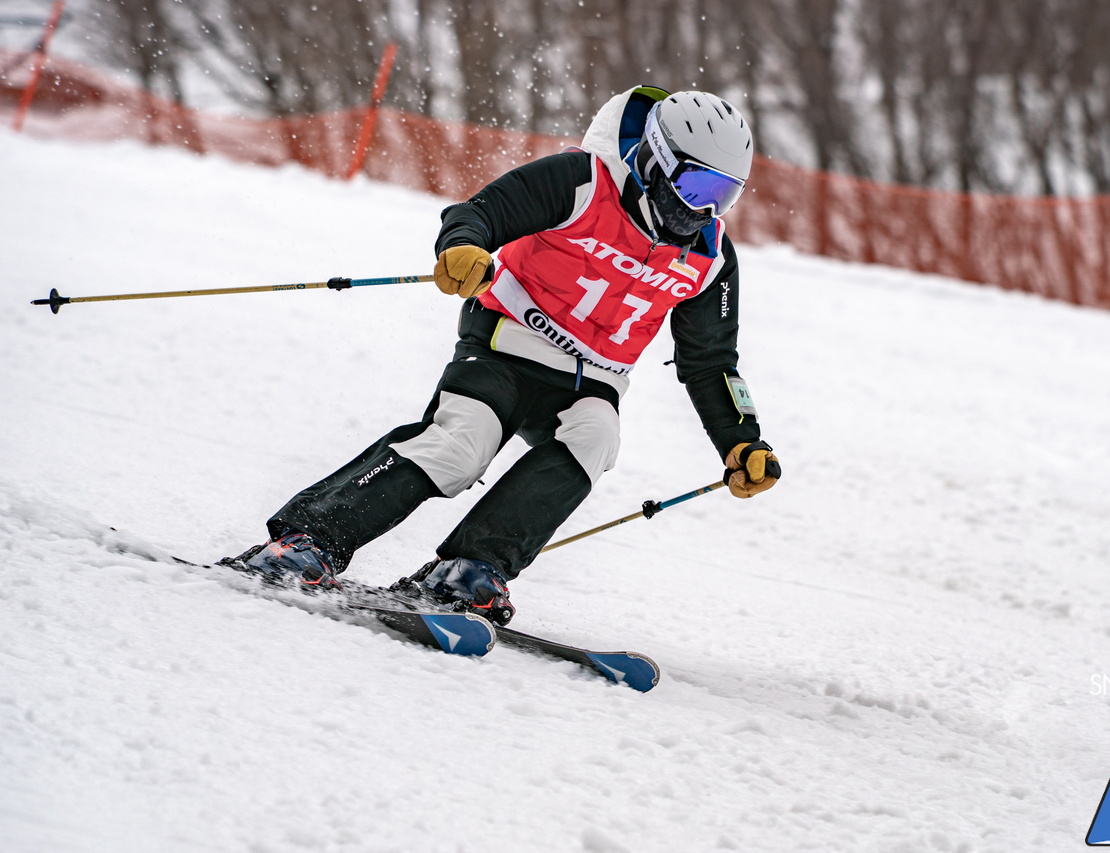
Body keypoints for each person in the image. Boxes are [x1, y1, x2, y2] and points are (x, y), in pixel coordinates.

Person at [233, 86, 781, 626]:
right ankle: (309, 541)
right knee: (460, 445)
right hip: (506, 343)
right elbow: (479, 214)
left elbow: (710, 363)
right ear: (656, 162)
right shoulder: (583, 182)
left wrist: (741, 441)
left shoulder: (711, 259)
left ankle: (471, 569)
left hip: (593, 381)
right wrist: (462, 248)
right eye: (697, 184)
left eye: (724, 194)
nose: (705, 208)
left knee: (596, 438)